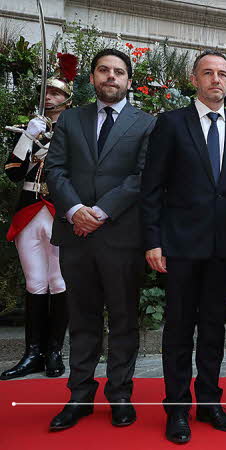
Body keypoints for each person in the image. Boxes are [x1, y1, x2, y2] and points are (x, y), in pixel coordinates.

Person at [141, 50, 226, 443]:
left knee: (212, 329)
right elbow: (152, 187)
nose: (216, 80)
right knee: (177, 330)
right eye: (208, 73)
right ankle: (177, 410)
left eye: (222, 74)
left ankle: (209, 402)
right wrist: (153, 240)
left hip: (225, 249)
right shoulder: (171, 123)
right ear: (195, 79)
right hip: (180, 246)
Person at [45, 49, 156, 431]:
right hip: (76, 235)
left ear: (129, 80)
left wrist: (101, 212)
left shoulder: (146, 123)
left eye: (119, 72)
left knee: (124, 320)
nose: (111, 77)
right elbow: (55, 169)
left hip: (121, 236)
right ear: (92, 78)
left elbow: (142, 177)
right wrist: (76, 210)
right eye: (104, 70)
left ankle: (121, 396)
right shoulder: (71, 119)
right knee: (82, 319)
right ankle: (79, 397)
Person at [1, 53, 77, 381]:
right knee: (35, 283)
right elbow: (13, 172)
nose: (50, 97)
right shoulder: (31, 129)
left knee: (58, 282)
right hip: (29, 209)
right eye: (46, 92)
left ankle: (55, 352)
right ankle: (32, 353)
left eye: (56, 92)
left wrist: (50, 138)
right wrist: (28, 136)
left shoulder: (75, 130)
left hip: (58, 211)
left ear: (67, 98)